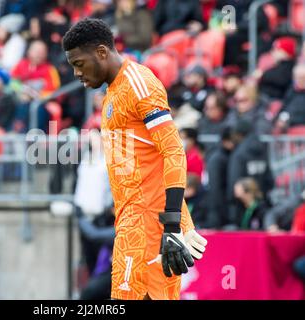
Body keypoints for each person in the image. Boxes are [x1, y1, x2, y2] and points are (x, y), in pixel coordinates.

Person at [62, 18, 207, 300]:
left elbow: (174, 151)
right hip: (129, 225)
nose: (76, 73)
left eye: (79, 64)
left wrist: (173, 227)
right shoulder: (111, 94)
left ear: (102, 52)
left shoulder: (140, 83)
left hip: (154, 226)